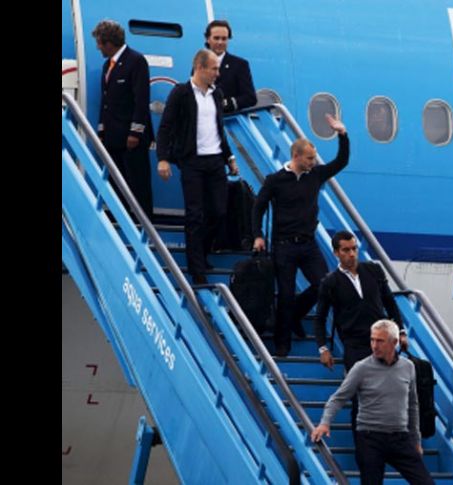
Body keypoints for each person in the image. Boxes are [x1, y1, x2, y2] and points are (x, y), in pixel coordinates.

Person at [252, 114, 349, 357]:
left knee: (324, 284)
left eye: (314, 158)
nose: (313, 162)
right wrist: (257, 235)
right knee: (284, 294)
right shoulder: (276, 180)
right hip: (283, 246)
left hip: (308, 244)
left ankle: (296, 313)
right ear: (295, 156)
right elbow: (258, 207)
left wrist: (342, 135)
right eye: (309, 158)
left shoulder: (315, 175)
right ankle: (282, 343)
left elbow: (341, 162)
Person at [311, 320, 434, 485]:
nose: (374, 345)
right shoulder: (361, 368)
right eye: (372, 340)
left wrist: (416, 441)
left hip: (400, 438)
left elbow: (412, 406)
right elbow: (338, 398)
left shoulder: (408, 367)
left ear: (394, 342)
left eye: (380, 341)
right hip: (370, 438)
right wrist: (324, 423)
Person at [155, 49, 239, 284]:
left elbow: (219, 129)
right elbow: (166, 127)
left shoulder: (216, 94)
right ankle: (196, 268)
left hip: (215, 160)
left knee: (219, 212)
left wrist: (229, 157)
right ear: (200, 68)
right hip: (192, 161)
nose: (217, 73)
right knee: (195, 214)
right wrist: (162, 158)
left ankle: (201, 253)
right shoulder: (181, 93)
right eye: (214, 68)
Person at [314, 230, 408, 434]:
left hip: (383, 341)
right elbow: (320, 318)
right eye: (346, 250)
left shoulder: (373, 270)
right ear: (336, 253)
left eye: (354, 249)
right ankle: (363, 440)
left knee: (390, 388)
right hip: (354, 344)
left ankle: (392, 433)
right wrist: (323, 348)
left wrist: (401, 331)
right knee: (360, 394)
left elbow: (390, 303)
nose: (352, 254)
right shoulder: (331, 282)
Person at [92, 19, 154, 219]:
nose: (97, 47)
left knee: (137, 184)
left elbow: (141, 99)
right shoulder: (107, 66)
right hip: (112, 137)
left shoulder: (136, 61)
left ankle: (143, 224)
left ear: (108, 42)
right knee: (116, 183)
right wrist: (101, 130)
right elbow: (106, 101)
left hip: (130, 139)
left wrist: (135, 132)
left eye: (99, 43)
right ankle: (120, 220)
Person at [204, 20, 257, 113]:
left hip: (228, 121)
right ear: (208, 39)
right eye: (216, 38)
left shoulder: (240, 65)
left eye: (224, 39)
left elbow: (250, 98)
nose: (220, 42)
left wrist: (226, 104)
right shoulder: (200, 64)